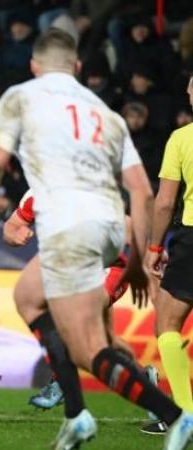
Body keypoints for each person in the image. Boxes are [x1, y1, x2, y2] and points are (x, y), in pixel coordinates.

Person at [0, 28, 193, 449]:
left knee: (82, 344)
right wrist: (140, 259)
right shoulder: (106, 114)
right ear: (76, 68)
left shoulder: (21, 95)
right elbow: (143, 193)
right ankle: (77, 414)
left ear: (34, 67)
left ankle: (173, 416)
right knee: (37, 301)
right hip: (115, 225)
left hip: (70, 222)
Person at [2, 188, 167, 434]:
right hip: (74, 268)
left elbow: (125, 221)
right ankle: (145, 380)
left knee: (74, 319)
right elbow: (11, 226)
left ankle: (61, 381)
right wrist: (16, 235)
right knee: (106, 342)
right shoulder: (37, 192)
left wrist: (150, 249)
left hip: (112, 268)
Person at [145, 75, 193, 425]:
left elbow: (164, 203)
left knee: (168, 325)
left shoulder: (182, 139)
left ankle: (186, 414)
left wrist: (154, 246)